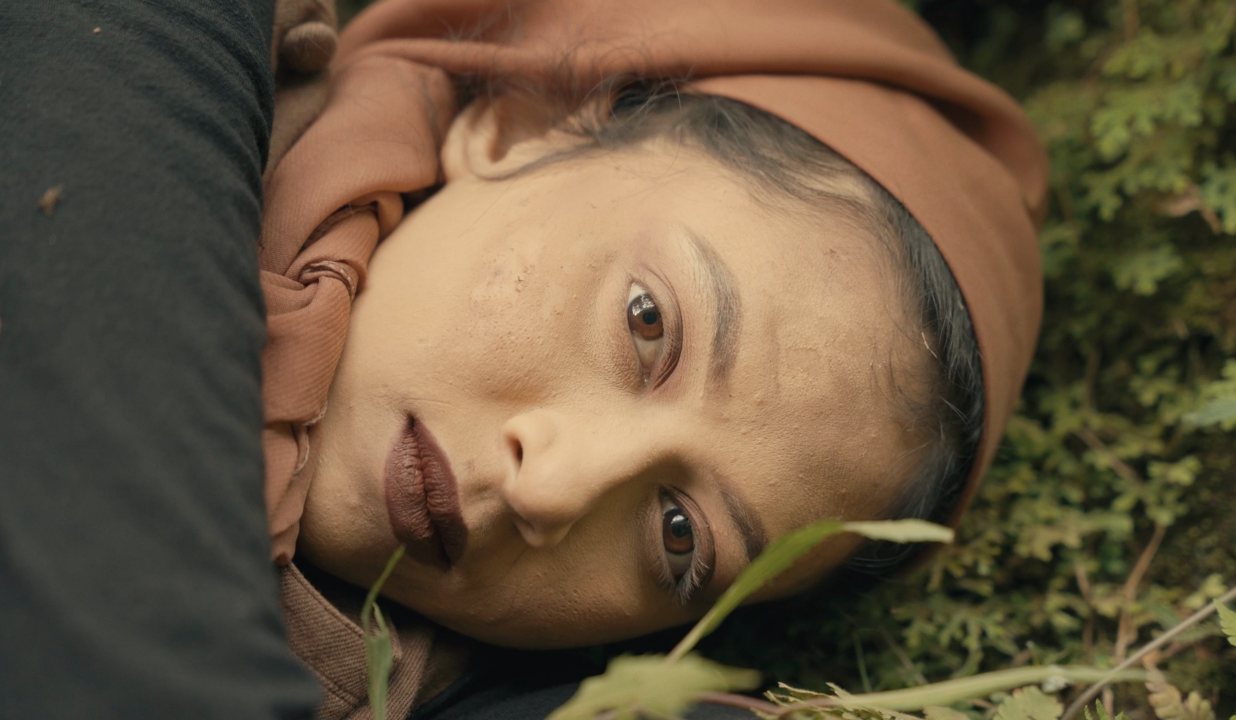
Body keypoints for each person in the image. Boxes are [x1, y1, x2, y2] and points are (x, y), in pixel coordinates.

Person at [258, 0, 1047, 717]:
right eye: (647, 324)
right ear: (522, 128)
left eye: (679, 536)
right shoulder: (198, 48)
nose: (547, 489)